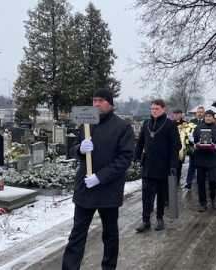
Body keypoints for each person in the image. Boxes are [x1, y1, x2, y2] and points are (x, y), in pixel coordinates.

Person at [62, 88, 135, 270]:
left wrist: (100, 177)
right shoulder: (87, 124)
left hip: (108, 191)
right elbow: (73, 150)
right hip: (85, 190)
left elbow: (125, 158)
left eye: (101, 100)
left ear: (110, 103)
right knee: (77, 235)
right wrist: (80, 149)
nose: (96, 104)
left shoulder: (122, 127)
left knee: (110, 236)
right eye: (94, 100)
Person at [135, 99, 181, 232]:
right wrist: (137, 157)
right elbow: (140, 142)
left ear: (163, 109)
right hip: (148, 165)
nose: (154, 111)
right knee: (146, 193)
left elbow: (175, 146)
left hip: (163, 165)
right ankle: (145, 220)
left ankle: (160, 218)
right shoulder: (146, 123)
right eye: (152, 109)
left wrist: (173, 164)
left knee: (161, 193)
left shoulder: (170, 125)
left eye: (156, 108)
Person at [189, 110, 216, 211]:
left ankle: (213, 198)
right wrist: (193, 142)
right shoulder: (199, 127)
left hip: (212, 159)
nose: (208, 118)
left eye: (210, 116)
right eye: (206, 116)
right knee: (200, 182)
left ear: (213, 118)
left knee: (212, 181)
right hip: (200, 158)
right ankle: (203, 202)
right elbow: (194, 139)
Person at [185, 106, 205, 189]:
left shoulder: (205, 122)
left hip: (202, 148)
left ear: (204, 113)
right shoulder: (192, 121)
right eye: (198, 112)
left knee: (200, 167)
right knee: (191, 166)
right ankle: (188, 182)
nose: (199, 113)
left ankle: (200, 182)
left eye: (201, 112)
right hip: (193, 147)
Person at [173, 109, 186, 185]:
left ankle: (177, 180)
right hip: (173, 146)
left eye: (177, 114)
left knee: (179, 164)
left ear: (181, 114)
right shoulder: (171, 123)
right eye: (174, 114)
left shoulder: (184, 124)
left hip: (181, 146)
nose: (176, 115)